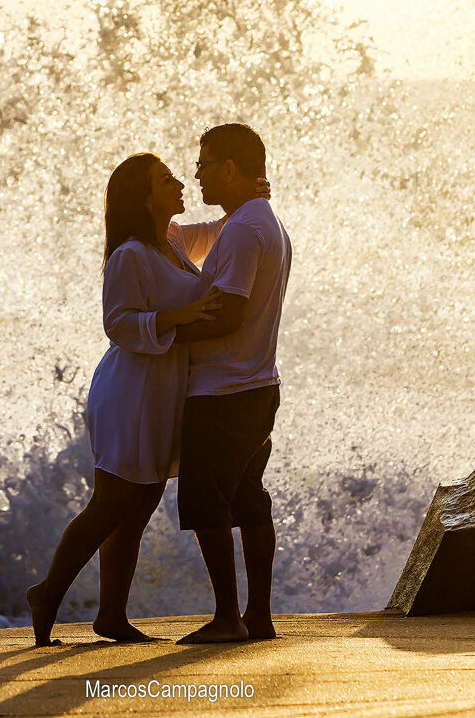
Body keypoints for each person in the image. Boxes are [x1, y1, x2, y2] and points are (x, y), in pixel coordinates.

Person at [26, 152, 235, 647]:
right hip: (130, 391)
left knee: (139, 504)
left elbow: (217, 233)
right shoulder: (130, 255)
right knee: (112, 501)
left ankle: (111, 616)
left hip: (162, 391)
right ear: (143, 197)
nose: (180, 182)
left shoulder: (173, 240)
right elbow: (117, 324)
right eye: (166, 180)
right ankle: (47, 593)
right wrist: (181, 316)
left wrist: (246, 203)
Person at [173, 123, 291, 644]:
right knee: (248, 498)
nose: (196, 174)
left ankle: (228, 618)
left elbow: (230, 312)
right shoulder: (258, 222)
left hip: (225, 390)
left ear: (228, 167)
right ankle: (258, 616)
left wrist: (165, 332)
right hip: (256, 384)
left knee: (207, 501)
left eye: (203, 164)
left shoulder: (244, 230)